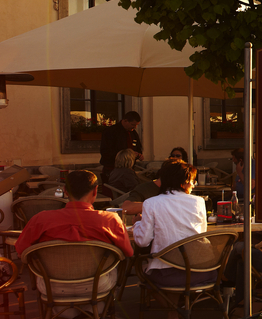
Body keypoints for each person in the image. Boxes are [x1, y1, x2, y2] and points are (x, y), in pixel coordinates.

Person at [16, 170, 133, 318]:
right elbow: (128, 252)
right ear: (95, 190)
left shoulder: (41, 219)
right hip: (96, 286)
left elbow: (21, 251)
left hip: (53, 287)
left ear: (65, 191)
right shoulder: (110, 220)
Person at [133, 160, 214, 292]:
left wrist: (137, 224)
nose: (194, 185)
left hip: (165, 272)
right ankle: (179, 308)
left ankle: (173, 310)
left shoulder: (151, 203)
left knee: (143, 271)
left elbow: (143, 241)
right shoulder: (198, 202)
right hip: (199, 270)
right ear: (183, 182)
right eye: (192, 181)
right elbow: (201, 234)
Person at [100, 111, 143, 180]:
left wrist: (138, 154)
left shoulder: (133, 133)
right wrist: (126, 155)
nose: (135, 127)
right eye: (133, 124)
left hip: (129, 168)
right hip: (113, 168)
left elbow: (138, 147)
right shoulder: (110, 132)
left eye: (136, 125)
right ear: (125, 121)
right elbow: (106, 151)